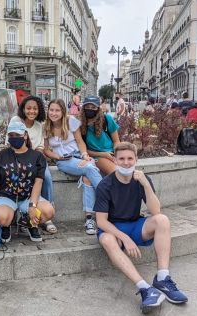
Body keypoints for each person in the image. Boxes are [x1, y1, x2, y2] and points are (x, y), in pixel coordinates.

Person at [95, 142, 188, 314]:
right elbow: (101, 221)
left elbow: (155, 211)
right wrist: (125, 238)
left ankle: (162, 278)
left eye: (130, 158)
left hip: (135, 224)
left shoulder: (141, 180)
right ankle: (145, 288)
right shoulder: (105, 185)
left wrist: (145, 184)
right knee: (107, 239)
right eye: (121, 158)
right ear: (114, 160)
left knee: (162, 220)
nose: (126, 162)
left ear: (136, 159)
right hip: (113, 228)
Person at [0, 119, 55, 243]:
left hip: (28, 197)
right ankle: (8, 224)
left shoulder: (37, 157)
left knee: (48, 211)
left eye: (18, 135)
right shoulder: (2, 155)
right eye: (11, 135)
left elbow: (38, 182)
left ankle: (29, 223)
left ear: (25, 135)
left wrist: (32, 206)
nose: (14, 138)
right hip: (6, 196)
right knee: (1, 218)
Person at [44, 98, 102, 234]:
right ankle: (108, 196)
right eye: (51, 110)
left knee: (88, 177)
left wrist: (84, 155)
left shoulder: (71, 121)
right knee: (89, 168)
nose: (54, 113)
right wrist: (56, 156)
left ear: (63, 111)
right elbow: (46, 150)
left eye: (57, 110)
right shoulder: (46, 126)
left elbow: (80, 141)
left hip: (78, 155)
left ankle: (89, 219)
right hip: (64, 161)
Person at [8, 95, 57, 235]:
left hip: (35, 159)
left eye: (35, 109)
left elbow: (41, 147)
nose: (32, 111)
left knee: (46, 176)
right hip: (17, 158)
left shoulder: (38, 125)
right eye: (28, 108)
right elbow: (10, 142)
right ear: (23, 109)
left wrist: (35, 158)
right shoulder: (15, 121)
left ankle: (47, 216)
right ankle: (22, 214)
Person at [80, 96, 121, 175]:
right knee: (117, 174)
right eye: (87, 107)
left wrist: (117, 154)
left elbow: (116, 141)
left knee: (128, 174)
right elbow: (83, 149)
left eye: (93, 107)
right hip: (96, 156)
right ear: (83, 108)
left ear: (98, 108)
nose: (90, 109)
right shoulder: (80, 124)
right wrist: (104, 154)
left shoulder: (107, 119)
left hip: (112, 153)